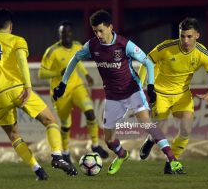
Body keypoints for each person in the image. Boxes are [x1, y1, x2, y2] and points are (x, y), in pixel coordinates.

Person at [53, 9, 184, 175]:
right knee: (109, 140)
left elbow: (149, 63)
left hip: (132, 90)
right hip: (113, 97)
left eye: (101, 30)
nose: (98, 34)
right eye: (95, 31)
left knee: (147, 124)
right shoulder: (92, 45)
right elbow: (75, 59)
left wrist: (150, 86)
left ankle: (173, 160)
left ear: (110, 27)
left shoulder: (124, 44)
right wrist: (63, 84)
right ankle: (122, 155)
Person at [0, 8, 78, 181]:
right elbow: (22, 62)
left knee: (14, 135)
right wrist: (28, 87)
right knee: (50, 121)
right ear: (11, 25)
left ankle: (37, 170)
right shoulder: (17, 41)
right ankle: (57, 156)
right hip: (18, 89)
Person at [138, 17, 208, 174]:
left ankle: (171, 162)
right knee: (160, 130)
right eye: (182, 36)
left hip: (182, 95)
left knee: (186, 129)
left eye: (189, 36)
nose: (185, 40)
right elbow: (147, 61)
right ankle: (151, 139)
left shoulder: (202, 54)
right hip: (160, 93)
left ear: (197, 35)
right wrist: (140, 86)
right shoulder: (167, 47)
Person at [38, 21, 109, 165]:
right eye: (63, 33)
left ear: (72, 33)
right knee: (65, 125)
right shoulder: (52, 51)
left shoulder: (77, 46)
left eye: (68, 32)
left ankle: (95, 144)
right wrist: (58, 72)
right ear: (60, 35)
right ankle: (65, 152)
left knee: (90, 112)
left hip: (77, 86)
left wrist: (86, 74)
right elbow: (41, 73)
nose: (66, 35)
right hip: (61, 91)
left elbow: (78, 62)